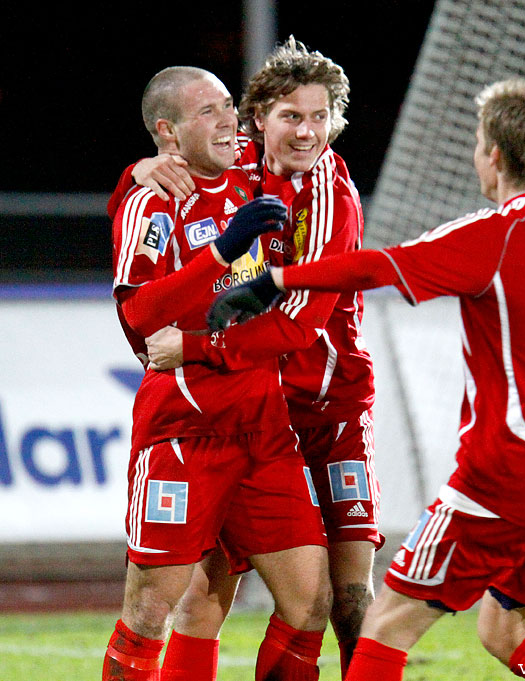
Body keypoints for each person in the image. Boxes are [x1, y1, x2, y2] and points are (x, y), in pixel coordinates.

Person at [208, 78, 525, 681]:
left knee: (385, 628)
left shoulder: (491, 237)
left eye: (476, 142)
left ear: (493, 156)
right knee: (505, 631)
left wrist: (277, 282)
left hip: (505, 479)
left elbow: (378, 267)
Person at [112, 38, 380, 680]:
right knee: (186, 604)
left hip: (311, 411)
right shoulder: (230, 183)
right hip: (214, 416)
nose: (307, 132)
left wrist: (200, 341)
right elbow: (140, 312)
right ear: (259, 121)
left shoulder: (323, 193)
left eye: (319, 118)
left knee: (330, 596)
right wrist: (141, 173)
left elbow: (298, 321)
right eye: (290, 116)